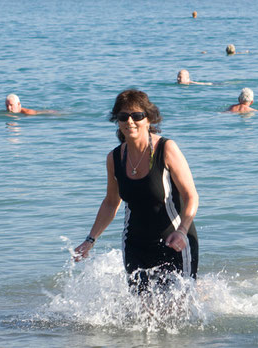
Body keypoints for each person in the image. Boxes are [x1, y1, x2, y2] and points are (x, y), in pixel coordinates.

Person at [74, 89, 200, 294]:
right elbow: (110, 202)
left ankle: (204, 293)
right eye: (123, 116)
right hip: (135, 243)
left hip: (174, 240)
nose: (130, 121)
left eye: (137, 115)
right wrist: (90, 240)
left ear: (149, 119)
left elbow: (191, 196)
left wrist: (182, 231)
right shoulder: (114, 159)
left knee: (176, 311)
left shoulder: (166, 149)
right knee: (142, 312)